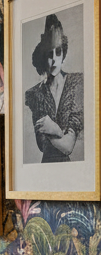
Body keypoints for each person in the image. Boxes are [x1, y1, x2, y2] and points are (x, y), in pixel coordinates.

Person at [25, 13, 84, 163]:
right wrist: (61, 134)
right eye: (49, 54)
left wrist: (54, 129)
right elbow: (42, 146)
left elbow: (68, 146)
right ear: (44, 57)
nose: (54, 60)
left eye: (58, 52)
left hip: (68, 168)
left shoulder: (76, 83)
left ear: (64, 52)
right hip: (46, 167)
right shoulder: (35, 94)